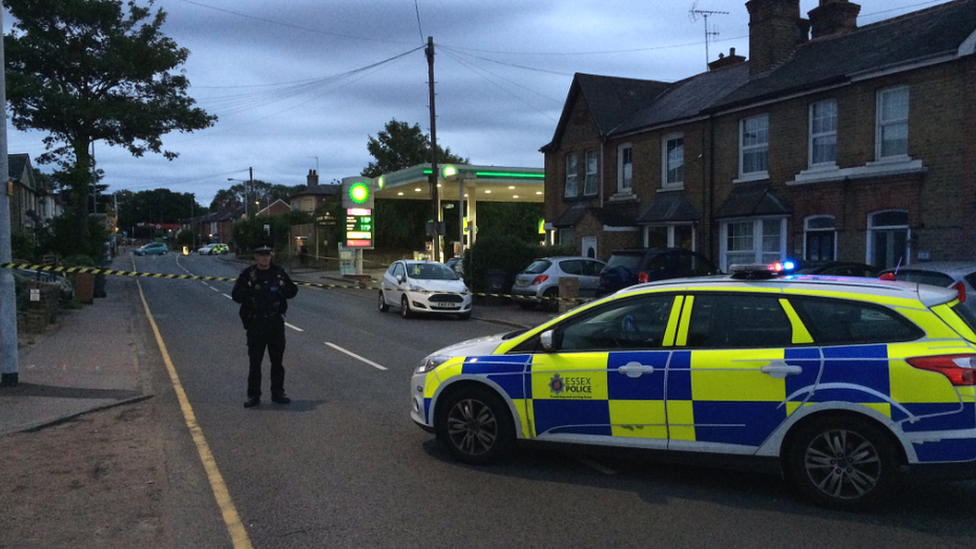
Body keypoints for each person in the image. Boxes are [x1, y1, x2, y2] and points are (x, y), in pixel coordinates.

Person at [232, 242, 299, 408]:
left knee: (277, 362)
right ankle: (254, 396)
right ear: (255, 257)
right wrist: (247, 289)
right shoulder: (248, 274)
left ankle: (278, 393)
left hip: (275, 322)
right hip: (256, 323)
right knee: (255, 362)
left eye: (267, 254)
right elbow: (236, 296)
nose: (264, 257)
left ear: (271, 256)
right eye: (261, 255)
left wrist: (284, 288)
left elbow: (292, 291)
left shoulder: (278, 273)